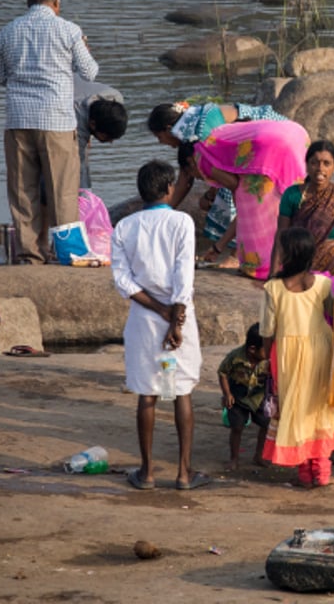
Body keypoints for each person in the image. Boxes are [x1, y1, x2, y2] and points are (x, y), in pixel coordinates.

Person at [111, 160, 206, 491]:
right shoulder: (180, 221)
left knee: (147, 391)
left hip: (144, 318)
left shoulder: (125, 226)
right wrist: (176, 318)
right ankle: (183, 473)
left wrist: (160, 311)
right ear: (169, 188)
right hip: (179, 317)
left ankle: (148, 472)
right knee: (180, 390)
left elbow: (123, 280)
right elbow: (184, 275)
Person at [0, 0, 99, 263]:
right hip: (56, 120)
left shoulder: (6, 32)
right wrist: (83, 49)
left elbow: (1, 78)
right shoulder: (69, 30)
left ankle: (30, 254)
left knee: (22, 190)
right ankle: (68, 253)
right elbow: (90, 73)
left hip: (18, 119)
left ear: (29, 1)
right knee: (62, 190)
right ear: (56, 2)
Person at [146, 100, 289, 259]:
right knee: (225, 196)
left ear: (168, 129)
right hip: (265, 139)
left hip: (267, 140)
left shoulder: (199, 132)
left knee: (239, 199)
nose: (160, 142)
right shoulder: (190, 127)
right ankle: (237, 251)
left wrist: (156, 216)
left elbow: (224, 176)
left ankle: (237, 254)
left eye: (159, 136)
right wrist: (157, 215)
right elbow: (185, 180)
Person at [260, 227, 334, 487]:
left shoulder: (273, 288)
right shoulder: (323, 284)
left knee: (296, 407)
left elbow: (267, 330)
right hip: (322, 348)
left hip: (288, 354)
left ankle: (305, 474)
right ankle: (323, 472)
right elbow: (332, 314)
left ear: (288, 254)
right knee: (320, 408)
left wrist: (264, 357)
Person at [190, 119, 308, 280]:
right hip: (295, 134)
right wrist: (218, 248)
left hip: (267, 150)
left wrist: (220, 246)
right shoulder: (214, 139)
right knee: (281, 205)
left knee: (257, 217)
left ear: (189, 164)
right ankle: (289, 261)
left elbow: (235, 189)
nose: (196, 179)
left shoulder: (201, 159)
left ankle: (260, 269)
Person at [276, 139, 334, 276]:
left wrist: (327, 252)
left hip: (330, 268)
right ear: (307, 166)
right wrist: (274, 273)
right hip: (296, 263)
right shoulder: (292, 195)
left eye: (327, 163)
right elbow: (281, 235)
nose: (320, 168)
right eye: (314, 163)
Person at [218, 323, 270, 471]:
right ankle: (234, 459)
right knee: (237, 428)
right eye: (265, 347)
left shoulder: (268, 359)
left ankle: (259, 455)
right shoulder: (235, 357)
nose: (268, 350)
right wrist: (227, 394)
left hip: (258, 398)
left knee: (266, 425)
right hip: (238, 397)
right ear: (252, 349)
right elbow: (222, 372)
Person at [75, 79, 127, 189]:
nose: (110, 142)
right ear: (93, 124)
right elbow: (79, 166)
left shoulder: (115, 97)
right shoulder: (77, 123)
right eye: (107, 136)